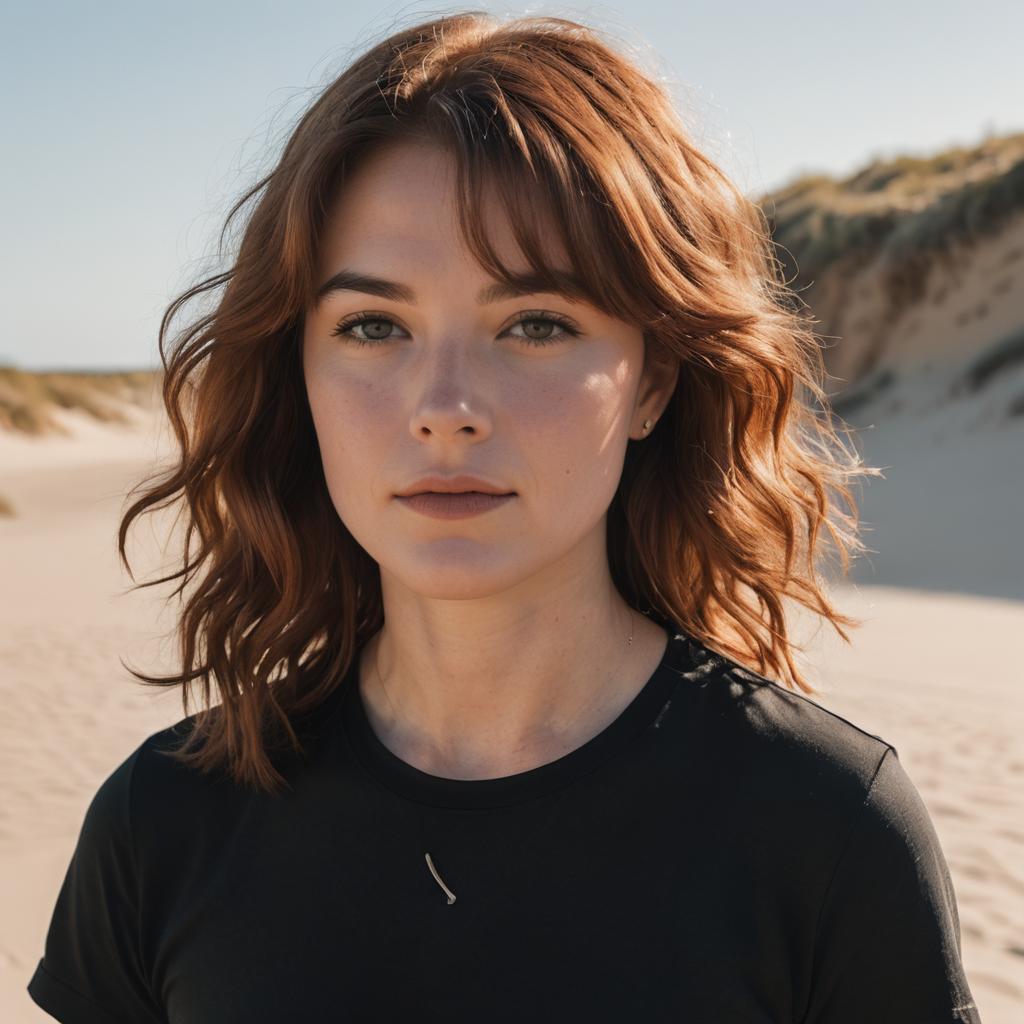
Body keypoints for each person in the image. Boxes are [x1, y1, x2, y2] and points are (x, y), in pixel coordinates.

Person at [27, 10, 981, 1023]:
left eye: (534, 323)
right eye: (373, 325)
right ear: (296, 369)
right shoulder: (163, 824)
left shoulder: (827, 830)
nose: (445, 406)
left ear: (652, 378)